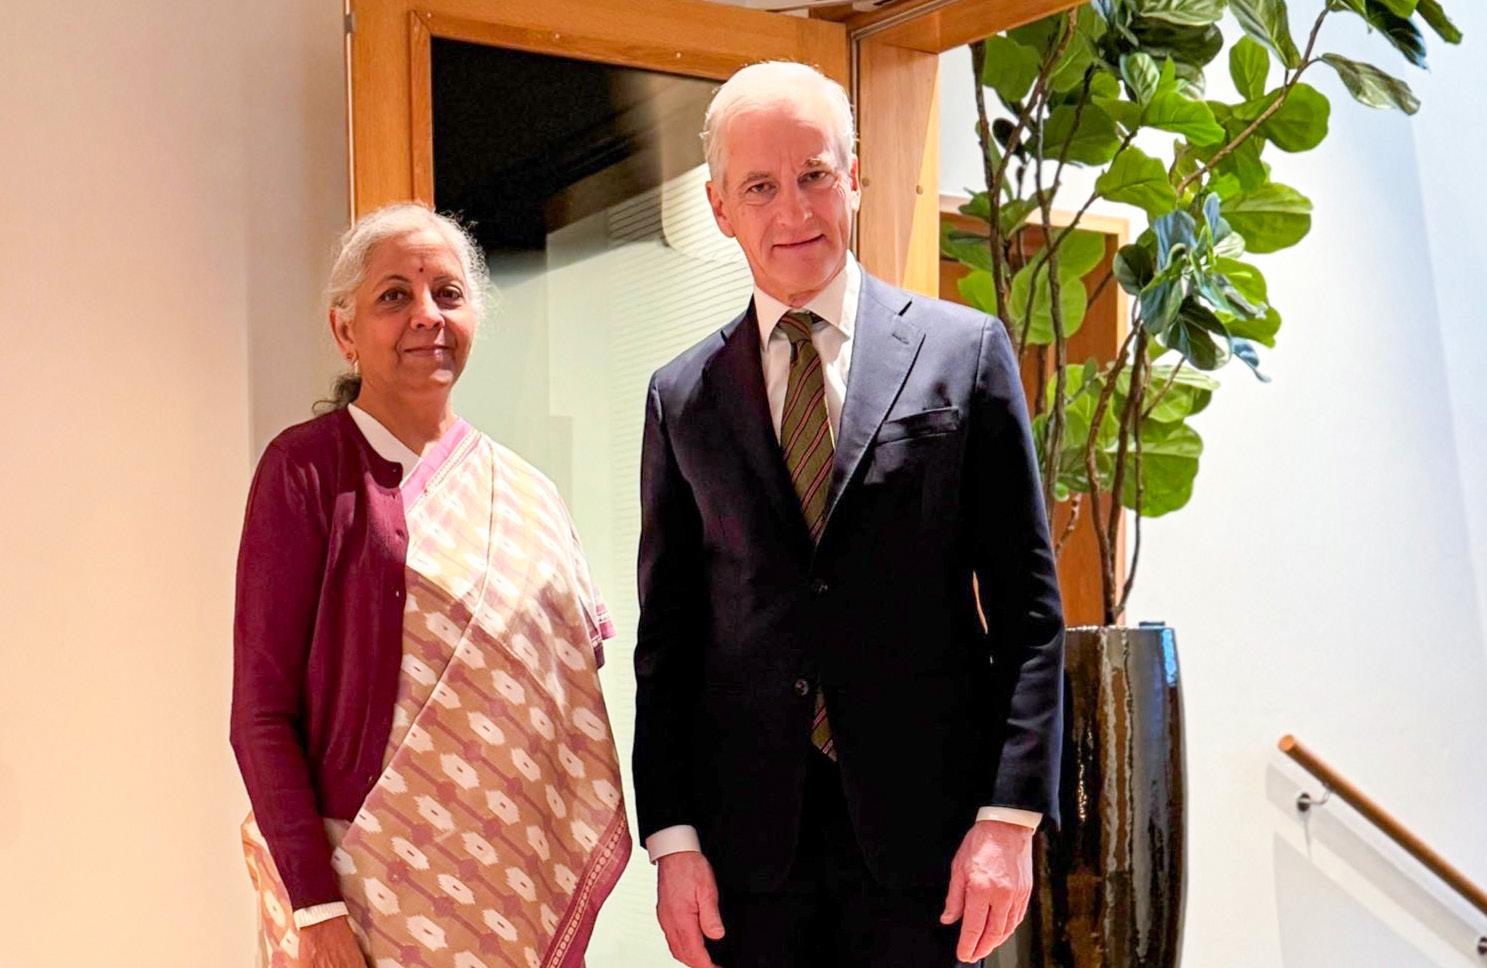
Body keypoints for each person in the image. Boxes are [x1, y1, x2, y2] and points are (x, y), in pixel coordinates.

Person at [632, 61, 1065, 968]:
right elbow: (668, 642)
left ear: (854, 178)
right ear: (719, 208)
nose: (793, 210)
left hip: (931, 844)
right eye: (759, 187)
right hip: (749, 857)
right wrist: (672, 841)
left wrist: (1008, 818)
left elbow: (1028, 614)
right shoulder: (680, 397)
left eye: (814, 175)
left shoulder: (964, 353)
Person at [231, 203, 631, 968]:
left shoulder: (528, 494)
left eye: (447, 294)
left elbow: (564, 706)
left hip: (511, 879)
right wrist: (316, 908)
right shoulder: (306, 470)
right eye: (394, 296)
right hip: (360, 886)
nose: (426, 316)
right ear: (345, 331)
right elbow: (260, 712)